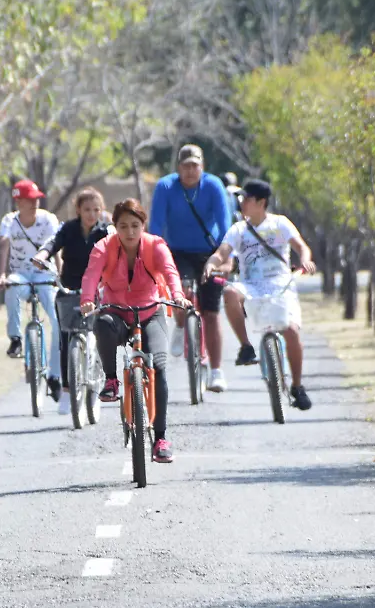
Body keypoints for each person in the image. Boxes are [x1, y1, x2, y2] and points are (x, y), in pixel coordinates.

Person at [80, 199, 191, 463]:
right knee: (102, 324)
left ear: (143, 225)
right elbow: (91, 275)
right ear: (114, 226)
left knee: (160, 367)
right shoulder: (103, 248)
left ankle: (161, 438)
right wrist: (87, 299)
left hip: (151, 310)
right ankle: (111, 380)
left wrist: (178, 296)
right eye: (123, 226)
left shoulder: (156, 246)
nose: (130, 232)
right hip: (116, 311)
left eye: (135, 225)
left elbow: (170, 272)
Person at [203, 179, 316, 411]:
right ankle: (246, 346)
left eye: (247, 198)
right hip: (251, 284)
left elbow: (301, 247)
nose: (242, 202)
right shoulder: (238, 230)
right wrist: (210, 264)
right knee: (230, 293)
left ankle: (297, 386)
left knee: (292, 332)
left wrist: (305, 260)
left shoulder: (280, 223)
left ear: (261, 202)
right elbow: (222, 252)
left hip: (280, 282)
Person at [148, 144, 233, 391]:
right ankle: (180, 324)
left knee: (211, 311)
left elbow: (225, 224)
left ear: (202, 166)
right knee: (181, 291)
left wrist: (225, 257)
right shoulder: (166, 186)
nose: (190, 170)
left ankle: (216, 371)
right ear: (178, 167)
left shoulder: (213, 185)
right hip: (177, 251)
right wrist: (152, 255)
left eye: (195, 165)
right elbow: (155, 226)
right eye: (185, 165)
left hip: (211, 252)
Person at [32, 187, 113, 415]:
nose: (91, 214)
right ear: (78, 209)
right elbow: (53, 243)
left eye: (96, 209)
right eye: (87, 209)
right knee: (67, 336)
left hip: (96, 289)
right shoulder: (68, 229)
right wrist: (42, 255)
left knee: (100, 332)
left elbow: (117, 247)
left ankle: (99, 380)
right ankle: (68, 390)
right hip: (68, 287)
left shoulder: (105, 231)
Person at [0, 179, 63, 397]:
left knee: (56, 320)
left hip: (46, 273)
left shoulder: (48, 219)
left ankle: (55, 374)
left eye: (36, 199)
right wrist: (1, 275)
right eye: (29, 199)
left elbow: (57, 248)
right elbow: (4, 245)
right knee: (13, 288)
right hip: (21, 274)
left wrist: (60, 274)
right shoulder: (9, 220)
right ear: (18, 201)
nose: (35, 203)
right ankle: (15, 339)